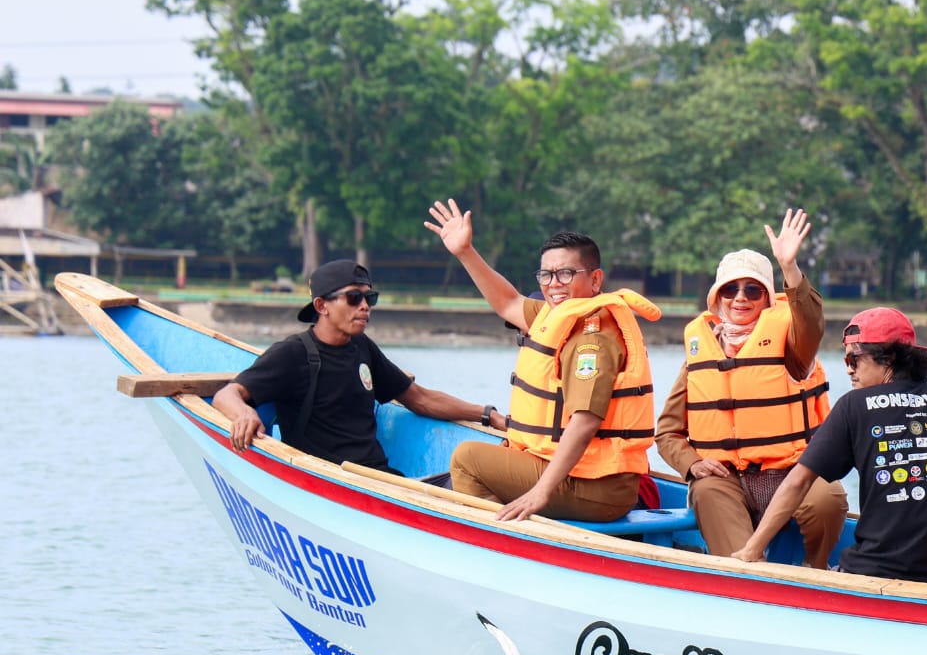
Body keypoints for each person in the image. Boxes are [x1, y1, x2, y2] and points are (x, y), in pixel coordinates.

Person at [732, 308, 927, 590]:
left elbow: (798, 481)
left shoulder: (854, 406)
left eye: (854, 360)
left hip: (872, 571)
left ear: (888, 359)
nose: (849, 371)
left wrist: (752, 550)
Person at [425, 198, 660, 523]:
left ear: (595, 280)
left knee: (467, 459)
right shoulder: (559, 315)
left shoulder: (593, 339)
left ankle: (502, 545)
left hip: (597, 488)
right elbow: (508, 302)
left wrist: (540, 492)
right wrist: (465, 251)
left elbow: (585, 421)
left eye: (565, 273)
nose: (554, 284)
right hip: (578, 474)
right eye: (546, 275)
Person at [655, 209, 848, 567]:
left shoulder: (794, 346)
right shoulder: (699, 354)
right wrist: (692, 464)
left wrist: (790, 268)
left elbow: (811, 323)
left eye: (752, 289)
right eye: (730, 289)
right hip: (724, 479)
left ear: (768, 297)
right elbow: (667, 433)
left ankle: (814, 570)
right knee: (714, 507)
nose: (740, 297)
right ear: (717, 298)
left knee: (828, 500)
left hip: (792, 472)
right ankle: (745, 581)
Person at [212, 259, 506, 473]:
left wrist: (487, 414)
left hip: (380, 478)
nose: (364, 306)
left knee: (477, 481)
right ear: (321, 306)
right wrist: (243, 415)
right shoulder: (292, 354)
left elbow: (419, 398)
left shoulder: (362, 348)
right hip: (328, 480)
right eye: (354, 298)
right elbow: (227, 395)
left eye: (369, 298)